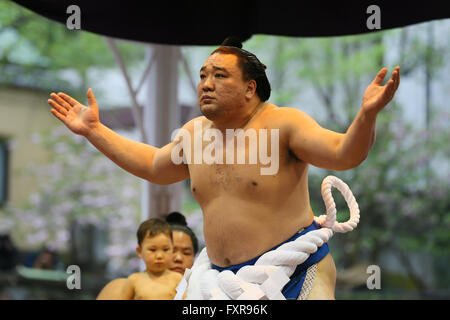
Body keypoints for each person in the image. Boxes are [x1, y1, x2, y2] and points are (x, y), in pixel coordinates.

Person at [48, 36, 400, 299]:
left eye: (219, 76)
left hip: (295, 271)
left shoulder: (284, 124)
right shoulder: (194, 133)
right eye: (203, 75)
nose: (206, 84)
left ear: (250, 88)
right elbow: (153, 166)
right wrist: (95, 130)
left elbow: (344, 154)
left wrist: (366, 116)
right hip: (218, 280)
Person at [96, 212, 198, 300]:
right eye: (153, 249)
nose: (178, 258)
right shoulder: (130, 282)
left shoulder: (196, 287)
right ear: (140, 251)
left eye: (186, 252)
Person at [119, 218, 182, 300]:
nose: (159, 256)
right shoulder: (134, 280)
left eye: (165, 249)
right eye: (153, 250)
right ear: (140, 251)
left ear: (172, 249)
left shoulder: (177, 279)